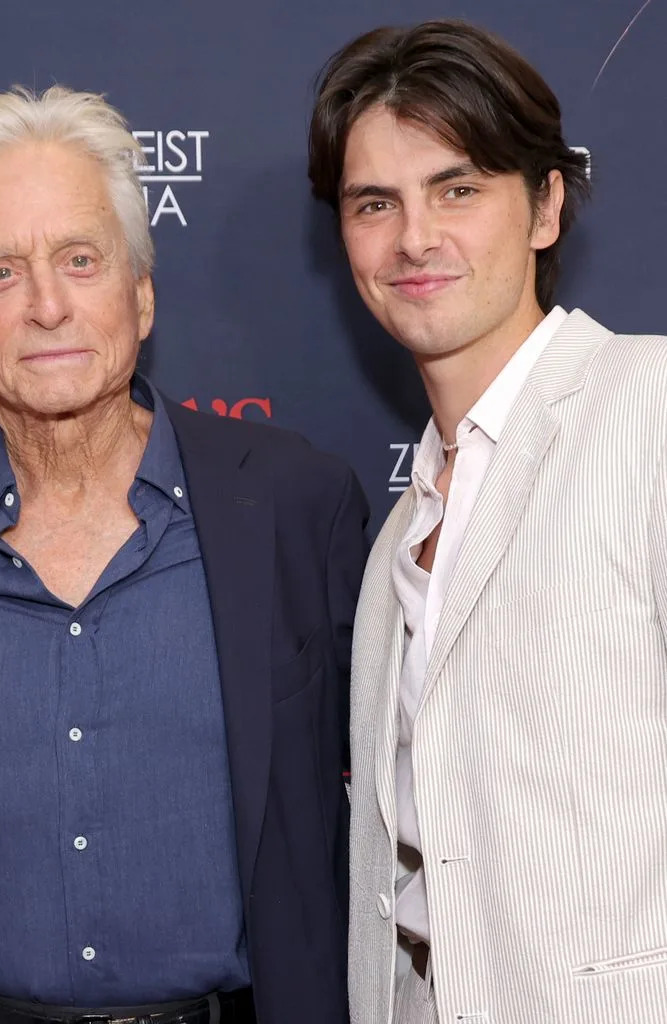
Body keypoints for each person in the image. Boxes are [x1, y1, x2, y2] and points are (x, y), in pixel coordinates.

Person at [0, 85, 368, 1024]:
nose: (46, 306)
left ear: (141, 292)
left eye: (80, 260)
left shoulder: (293, 505)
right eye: (1, 273)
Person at [309, 19, 667, 1024]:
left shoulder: (647, 408)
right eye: (374, 202)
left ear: (545, 205)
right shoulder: (400, 530)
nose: (413, 237)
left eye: (456, 188)